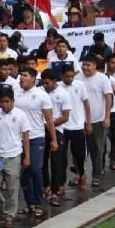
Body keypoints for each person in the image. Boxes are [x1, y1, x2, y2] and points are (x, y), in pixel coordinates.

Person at [0, 89, 30, 228]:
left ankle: (9, 216)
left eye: (7, 102)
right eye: (2, 102)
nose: (4, 105)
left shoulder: (21, 115)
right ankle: (1, 206)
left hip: (14, 155)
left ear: (13, 101)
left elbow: (26, 137)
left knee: (12, 188)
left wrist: (27, 157)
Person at [14, 67, 56, 216]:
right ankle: (29, 203)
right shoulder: (16, 94)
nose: (21, 78)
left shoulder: (42, 95)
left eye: (24, 75)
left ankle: (38, 203)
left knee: (35, 169)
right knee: (24, 172)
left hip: (36, 137)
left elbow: (49, 120)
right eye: (20, 75)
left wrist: (54, 140)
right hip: (18, 139)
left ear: (33, 78)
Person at [77, 58, 113, 187]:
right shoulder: (77, 78)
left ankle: (96, 174)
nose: (86, 67)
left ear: (95, 65)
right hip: (80, 121)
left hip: (98, 120)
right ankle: (80, 175)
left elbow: (108, 98)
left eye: (88, 65)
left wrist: (107, 117)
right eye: (84, 65)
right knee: (79, 150)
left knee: (97, 149)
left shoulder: (103, 79)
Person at [40, 70, 71, 205]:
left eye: (47, 83)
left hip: (57, 131)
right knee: (42, 161)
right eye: (43, 83)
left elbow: (65, 117)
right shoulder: (39, 92)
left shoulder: (63, 94)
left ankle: (54, 192)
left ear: (54, 81)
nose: (45, 86)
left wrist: (49, 124)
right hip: (40, 131)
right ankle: (46, 186)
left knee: (56, 162)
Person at [59, 65, 91, 190]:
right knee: (61, 157)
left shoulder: (80, 85)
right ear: (62, 76)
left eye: (72, 76)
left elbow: (86, 103)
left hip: (77, 125)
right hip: (62, 127)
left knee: (79, 155)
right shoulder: (57, 87)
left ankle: (82, 175)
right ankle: (61, 184)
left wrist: (88, 122)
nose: (70, 79)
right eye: (67, 76)